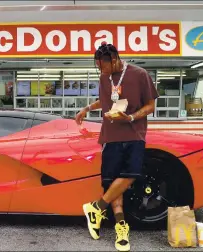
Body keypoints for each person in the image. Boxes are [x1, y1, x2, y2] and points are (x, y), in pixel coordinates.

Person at [75, 42, 159, 251]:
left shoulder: (140, 74)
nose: (100, 71)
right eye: (97, 66)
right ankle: (121, 228)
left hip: (134, 133)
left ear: (114, 60)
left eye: (102, 66)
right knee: (112, 182)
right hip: (110, 135)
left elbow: (150, 105)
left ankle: (97, 207)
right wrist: (86, 108)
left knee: (131, 174)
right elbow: (104, 101)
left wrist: (130, 116)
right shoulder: (104, 77)